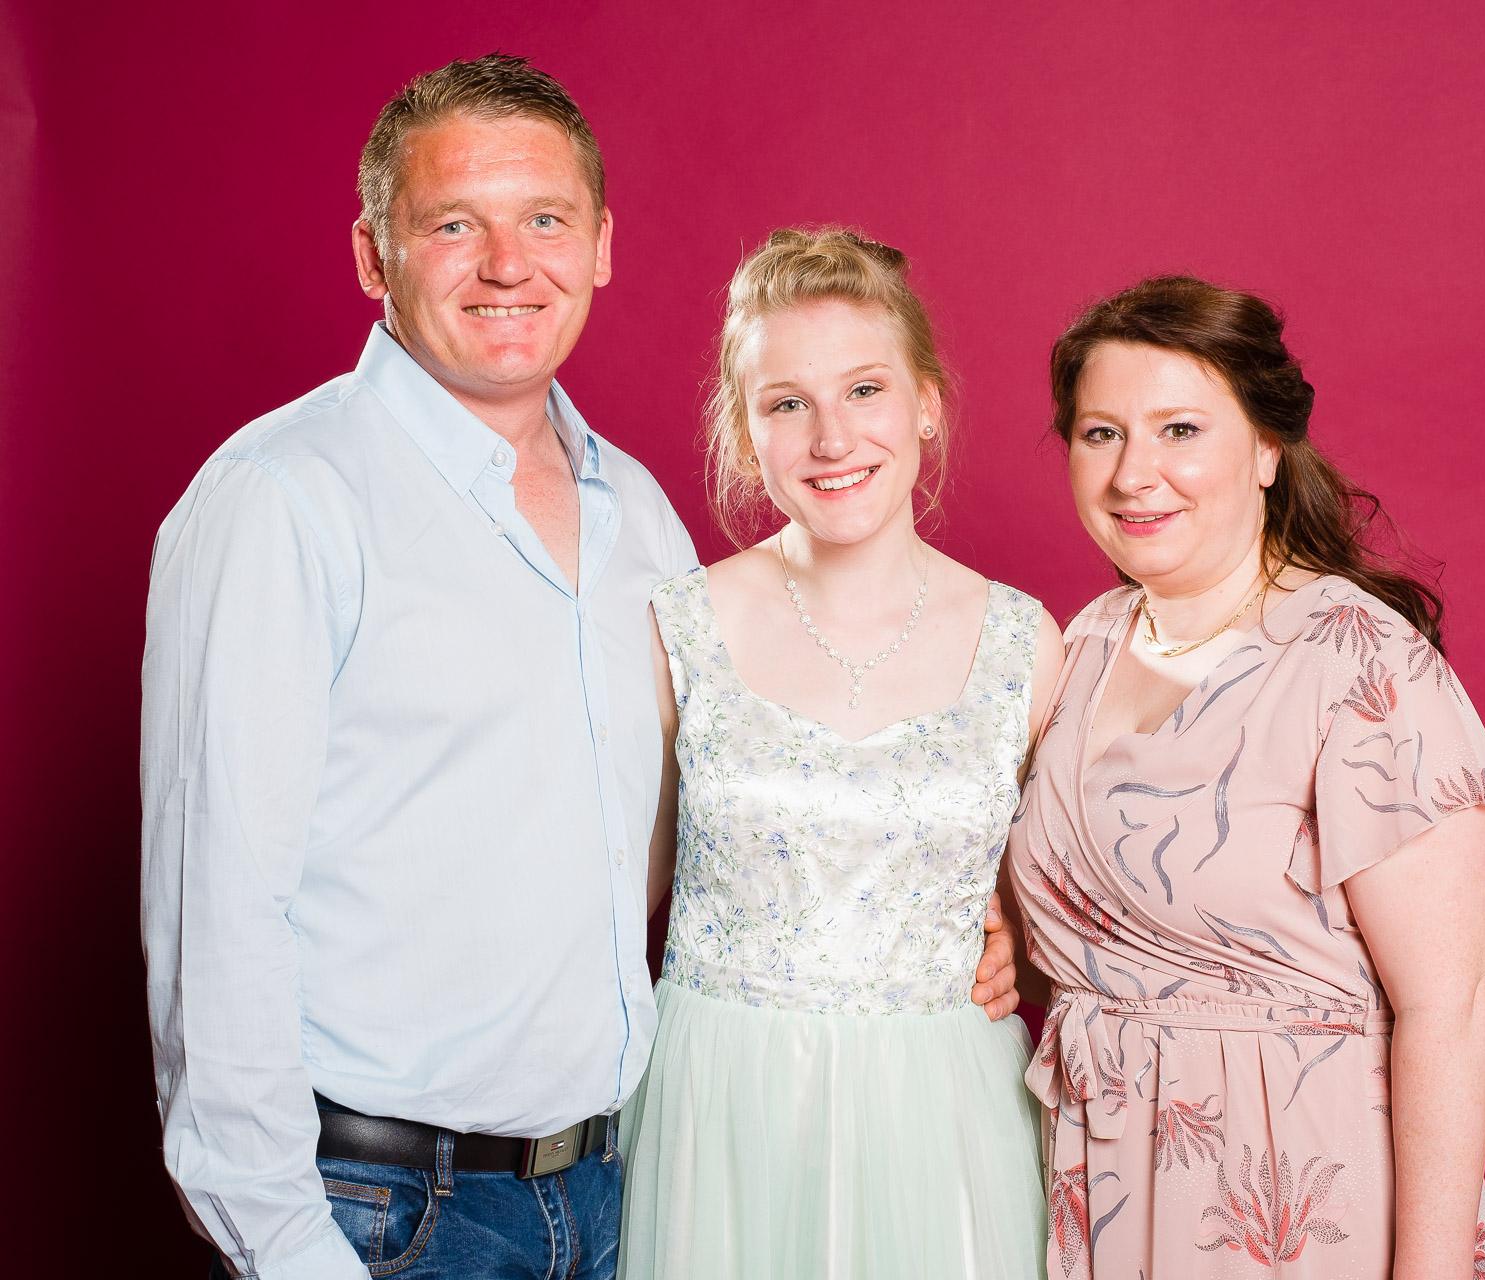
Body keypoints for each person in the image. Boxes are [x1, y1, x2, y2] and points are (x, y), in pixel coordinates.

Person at [138, 57, 1022, 1279]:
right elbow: (216, 909)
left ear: (601, 246)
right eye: (455, 224)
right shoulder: (283, 499)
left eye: (546, 220)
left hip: (618, 1190)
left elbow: (705, 826)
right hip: (385, 1212)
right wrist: (289, 1247)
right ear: (373, 256)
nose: (510, 264)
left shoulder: (639, 520)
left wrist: (948, 907)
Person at [1010, 276, 1485, 1279]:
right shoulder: (1088, 642)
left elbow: (1451, 1009)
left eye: (1180, 430)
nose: (1134, 474)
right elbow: (1096, 933)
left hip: (1289, 1199)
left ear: (1267, 449)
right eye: (1102, 433)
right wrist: (998, 945)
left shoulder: (1358, 663)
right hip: (1102, 1181)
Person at [615, 228, 1062, 1279]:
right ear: (745, 431)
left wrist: (1019, 941)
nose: (832, 438)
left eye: (865, 390)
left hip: (944, 1121)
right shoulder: (676, 626)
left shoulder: (1025, 643)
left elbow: (1071, 901)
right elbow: (610, 896)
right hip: (721, 1114)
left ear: (926, 404)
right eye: (787, 404)